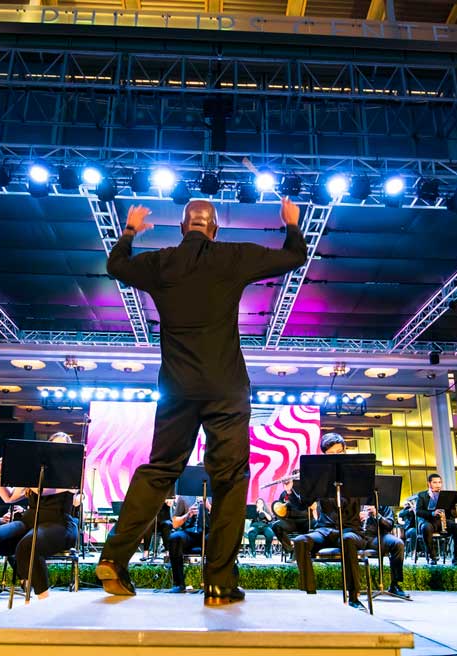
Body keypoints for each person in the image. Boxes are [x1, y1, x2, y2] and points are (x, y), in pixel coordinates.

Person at [95, 197, 306, 605]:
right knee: (230, 479)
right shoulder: (234, 256)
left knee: (159, 470)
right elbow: (294, 256)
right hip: (225, 387)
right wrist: (291, 223)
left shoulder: (163, 262)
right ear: (215, 229)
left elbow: (116, 266)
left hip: (176, 386)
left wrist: (130, 231)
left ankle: (115, 558)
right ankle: (219, 583)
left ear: (181, 228)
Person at [0, 432, 81, 620]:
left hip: (59, 523)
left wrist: (25, 472)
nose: (57, 452)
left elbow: (44, 490)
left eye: (62, 447)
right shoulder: (36, 472)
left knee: (28, 544)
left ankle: (46, 606)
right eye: (54, 447)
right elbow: (8, 497)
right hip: (29, 520)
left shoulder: (71, 473)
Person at [290, 433, 371, 609]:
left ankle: (354, 597)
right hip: (325, 529)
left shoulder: (356, 475)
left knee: (347, 540)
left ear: (344, 450)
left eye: (339, 452)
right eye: (331, 453)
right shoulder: (320, 478)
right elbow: (304, 504)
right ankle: (309, 593)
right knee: (300, 541)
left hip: (351, 530)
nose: (336, 456)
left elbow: (361, 501)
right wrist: (292, 490)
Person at [413, 473, 457, 565]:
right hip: (428, 521)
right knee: (426, 528)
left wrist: (455, 509)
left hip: (443, 521)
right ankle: (432, 556)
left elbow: (451, 514)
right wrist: (432, 513)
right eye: (435, 482)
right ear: (429, 484)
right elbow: (418, 511)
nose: (438, 485)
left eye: (439, 482)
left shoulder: (445, 495)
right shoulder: (422, 495)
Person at [162, 494, 211, 592]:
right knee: (175, 538)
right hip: (189, 533)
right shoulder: (184, 497)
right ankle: (179, 584)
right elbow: (175, 524)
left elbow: (222, 519)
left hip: (208, 532)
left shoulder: (213, 494)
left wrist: (208, 506)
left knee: (215, 539)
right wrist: (188, 514)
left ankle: (211, 585)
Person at [361, 502, 407, 598]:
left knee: (398, 544)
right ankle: (352, 588)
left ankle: (395, 585)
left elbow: (389, 525)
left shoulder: (383, 504)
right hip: (358, 535)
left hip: (377, 537)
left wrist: (376, 515)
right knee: (347, 540)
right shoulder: (355, 501)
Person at [270, 479, 307, 554]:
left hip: (305, 520)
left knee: (318, 525)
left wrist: (291, 492)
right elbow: (279, 510)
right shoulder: (283, 494)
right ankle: (291, 550)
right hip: (291, 521)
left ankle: (309, 552)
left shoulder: (305, 491)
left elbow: (301, 505)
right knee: (276, 526)